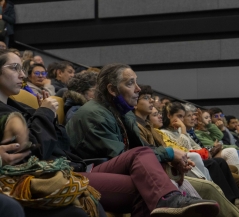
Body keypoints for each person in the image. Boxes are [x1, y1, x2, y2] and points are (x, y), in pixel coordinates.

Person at [66, 63, 220, 217]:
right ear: (112, 90)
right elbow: (124, 156)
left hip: (107, 168)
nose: (138, 89)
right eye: (130, 83)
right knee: (151, 187)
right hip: (88, 170)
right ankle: (168, 199)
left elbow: (142, 152)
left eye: (136, 81)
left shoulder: (123, 113)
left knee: (156, 189)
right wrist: (169, 154)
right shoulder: (94, 114)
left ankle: (168, 199)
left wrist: (169, 162)